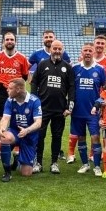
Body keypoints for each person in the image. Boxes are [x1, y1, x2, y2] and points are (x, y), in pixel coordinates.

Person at [31, 39, 75, 174]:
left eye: (59, 49)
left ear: (63, 50)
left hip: (60, 109)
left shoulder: (67, 67)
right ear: (50, 49)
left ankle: (54, 162)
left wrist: (70, 106)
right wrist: (34, 101)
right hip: (42, 108)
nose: (57, 51)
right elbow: (34, 83)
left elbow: (72, 88)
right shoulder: (42, 64)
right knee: (40, 136)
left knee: (57, 136)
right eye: (54, 48)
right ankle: (38, 162)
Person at [0, 31, 30, 162]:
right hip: (1, 92)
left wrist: (15, 88)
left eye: (12, 39)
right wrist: (4, 86)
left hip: (17, 94)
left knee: (18, 121)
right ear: (3, 42)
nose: (9, 42)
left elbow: (24, 77)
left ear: (15, 41)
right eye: (7, 39)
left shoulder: (22, 58)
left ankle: (17, 149)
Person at [69, 43, 106, 176]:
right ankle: (85, 164)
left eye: (90, 51)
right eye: (85, 50)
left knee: (95, 137)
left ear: (93, 52)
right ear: (81, 52)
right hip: (77, 111)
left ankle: (97, 166)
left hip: (93, 112)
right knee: (81, 138)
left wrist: (99, 104)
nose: (87, 53)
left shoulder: (100, 69)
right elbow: (70, 88)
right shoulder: (75, 69)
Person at [0, 77, 44, 181]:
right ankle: (7, 172)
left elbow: (38, 122)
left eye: (10, 88)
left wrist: (27, 130)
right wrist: (3, 128)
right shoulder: (9, 100)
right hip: (15, 132)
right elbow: (5, 118)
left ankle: (18, 159)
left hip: (29, 136)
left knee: (26, 173)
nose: (7, 90)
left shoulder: (34, 101)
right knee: (5, 138)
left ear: (18, 89)